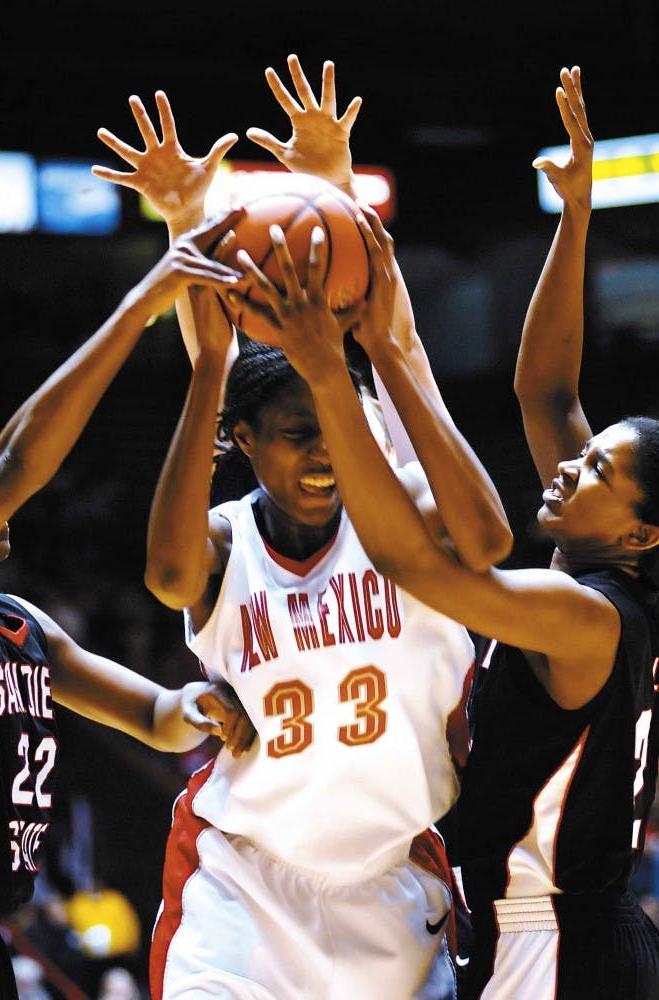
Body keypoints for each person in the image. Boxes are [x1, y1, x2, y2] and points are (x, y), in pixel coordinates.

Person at [227, 66, 659, 998]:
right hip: (550, 930)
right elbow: (545, 392)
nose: (568, 467)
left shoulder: (584, 616)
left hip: (552, 942)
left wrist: (334, 368)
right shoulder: (608, 575)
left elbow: (410, 559)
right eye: (583, 457)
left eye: (595, 474)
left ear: (642, 534)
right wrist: (575, 218)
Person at [102, 56, 513, 999]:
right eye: (296, 436)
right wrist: (184, 212)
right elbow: (211, 367)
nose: (323, 454)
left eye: (339, 428)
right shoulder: (221, 542)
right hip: (243, 885)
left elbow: (395, 342)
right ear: (243, 441)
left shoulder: (409, 512)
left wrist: (331, 192)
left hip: (394, 887)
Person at [0, 216, 256, 1000]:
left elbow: (153, 717)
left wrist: (197, 706)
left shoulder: (21, 627)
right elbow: (15, 460)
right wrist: (142, 302)